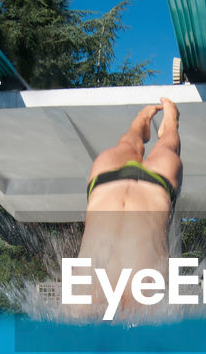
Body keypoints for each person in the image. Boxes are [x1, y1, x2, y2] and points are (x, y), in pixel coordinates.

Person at [76, 98, 182, 318]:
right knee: (128, 144)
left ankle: (170, 120)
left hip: (154, 189)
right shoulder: (80, 310)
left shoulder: (148, 312)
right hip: (106, 183)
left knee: (167, 144)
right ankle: (141, 122)